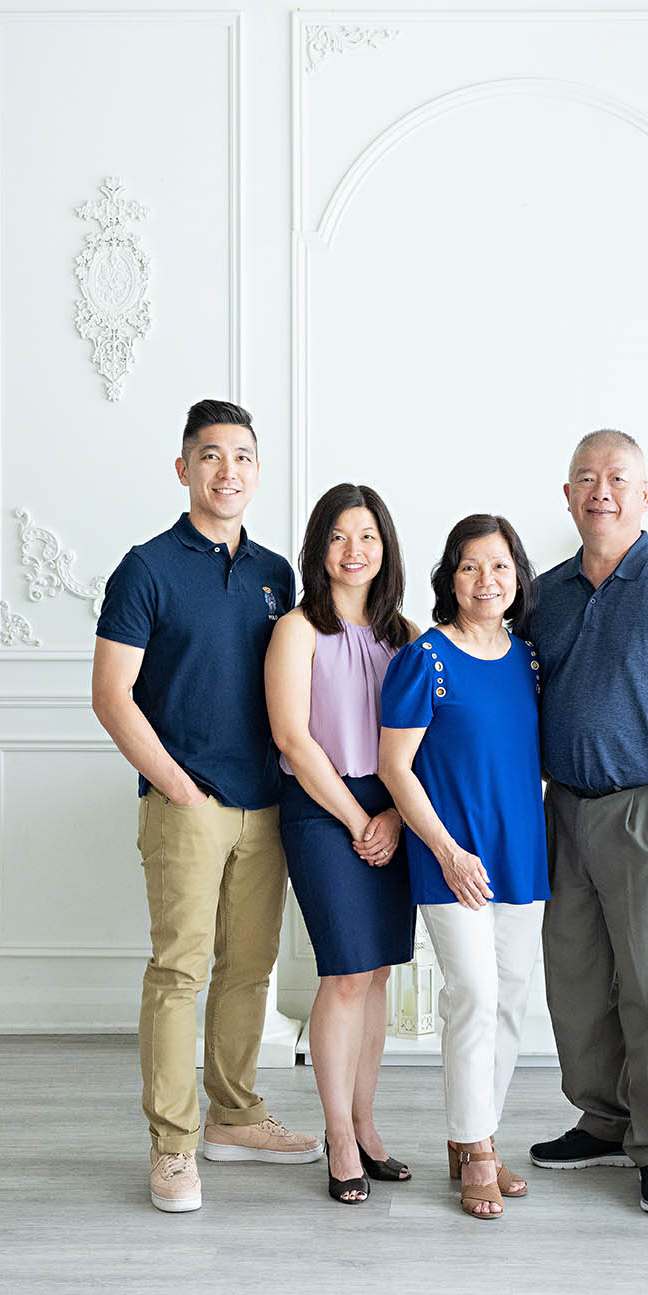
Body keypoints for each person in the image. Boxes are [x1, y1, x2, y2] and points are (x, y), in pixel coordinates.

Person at [92, 399, 321, 1214]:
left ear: (258, 471)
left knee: (249, 971)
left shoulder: (275, 575)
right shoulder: (146, 568)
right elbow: (112, 695)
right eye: (213, 455)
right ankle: (173, 1146)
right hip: (186, 802)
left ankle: (235, 1118)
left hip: (268, 803)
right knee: (179, 972)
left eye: (245, 456)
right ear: (183, 467)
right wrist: (177, 784)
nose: (230, 470)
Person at [528, 429, 648, 1217]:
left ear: (645, 495)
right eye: (585, 478)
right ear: (567, 496)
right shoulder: (542, 593)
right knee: (575, 981)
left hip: (647, 812)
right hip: (564, 812)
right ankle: (603, 1120)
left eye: (616, 478)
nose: (599, 490)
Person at [379, 515, 549, 1220]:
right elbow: (395, 766)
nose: (488, 581)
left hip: (522, 852)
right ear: (450, 575)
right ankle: (474, 1146)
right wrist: (448, 851)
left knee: (511, 999)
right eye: (473, 566)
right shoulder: (426, 659)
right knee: (474, 994)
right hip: (452, 857)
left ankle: (479, 1134)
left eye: (501, 567)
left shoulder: (530, 660)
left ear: (518, 578)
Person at [265, 483, 416, 1205]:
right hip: (322, 810)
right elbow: (292, 736)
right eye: (338, 537)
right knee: (345, 975)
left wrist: (390, 815)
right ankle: (339, 1135)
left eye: (367, 537)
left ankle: (365, 1120)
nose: (353, 551)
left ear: (385, 548)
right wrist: (359, 821)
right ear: (318, 548)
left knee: (380, 974)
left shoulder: (407, 636)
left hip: (393, 809)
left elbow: (423, 745)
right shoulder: (297, 629)